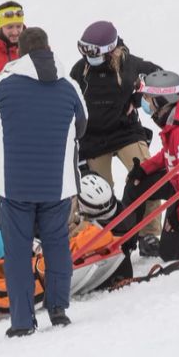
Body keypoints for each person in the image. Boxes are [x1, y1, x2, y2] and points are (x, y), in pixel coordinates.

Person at [0, 27, 87, 337]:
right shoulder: (69, 85)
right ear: (48, 48)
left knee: (17, 251)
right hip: (58, 183)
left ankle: (23, 321)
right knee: (56, 245)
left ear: (21, 52)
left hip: (15, 186)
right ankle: (58, 309)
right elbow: (81, 127)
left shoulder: (2, 84)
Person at [70, 21, 164, 257]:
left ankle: (149, 234)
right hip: (92, 138)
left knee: (146, 174)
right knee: (96, 191)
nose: (87, 57)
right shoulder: (79, 70)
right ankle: (97, 237)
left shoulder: (130, 65)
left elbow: (159, 77)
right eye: (84, 50)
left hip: (125, 132)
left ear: (110, 50)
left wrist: (138, 97)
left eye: (93, 52)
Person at [122, 70, 179, 262]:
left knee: (169, 252)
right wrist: (144, 169)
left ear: (161, 100)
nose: (145, 103)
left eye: (148, 98)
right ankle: (126, 240)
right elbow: (169, 155)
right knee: (136, 185)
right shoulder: (176, 118)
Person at [0, 1, 25, 83]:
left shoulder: (32, 47)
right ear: (0, 28)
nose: (15, 32)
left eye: (19, 26)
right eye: (9, 27)